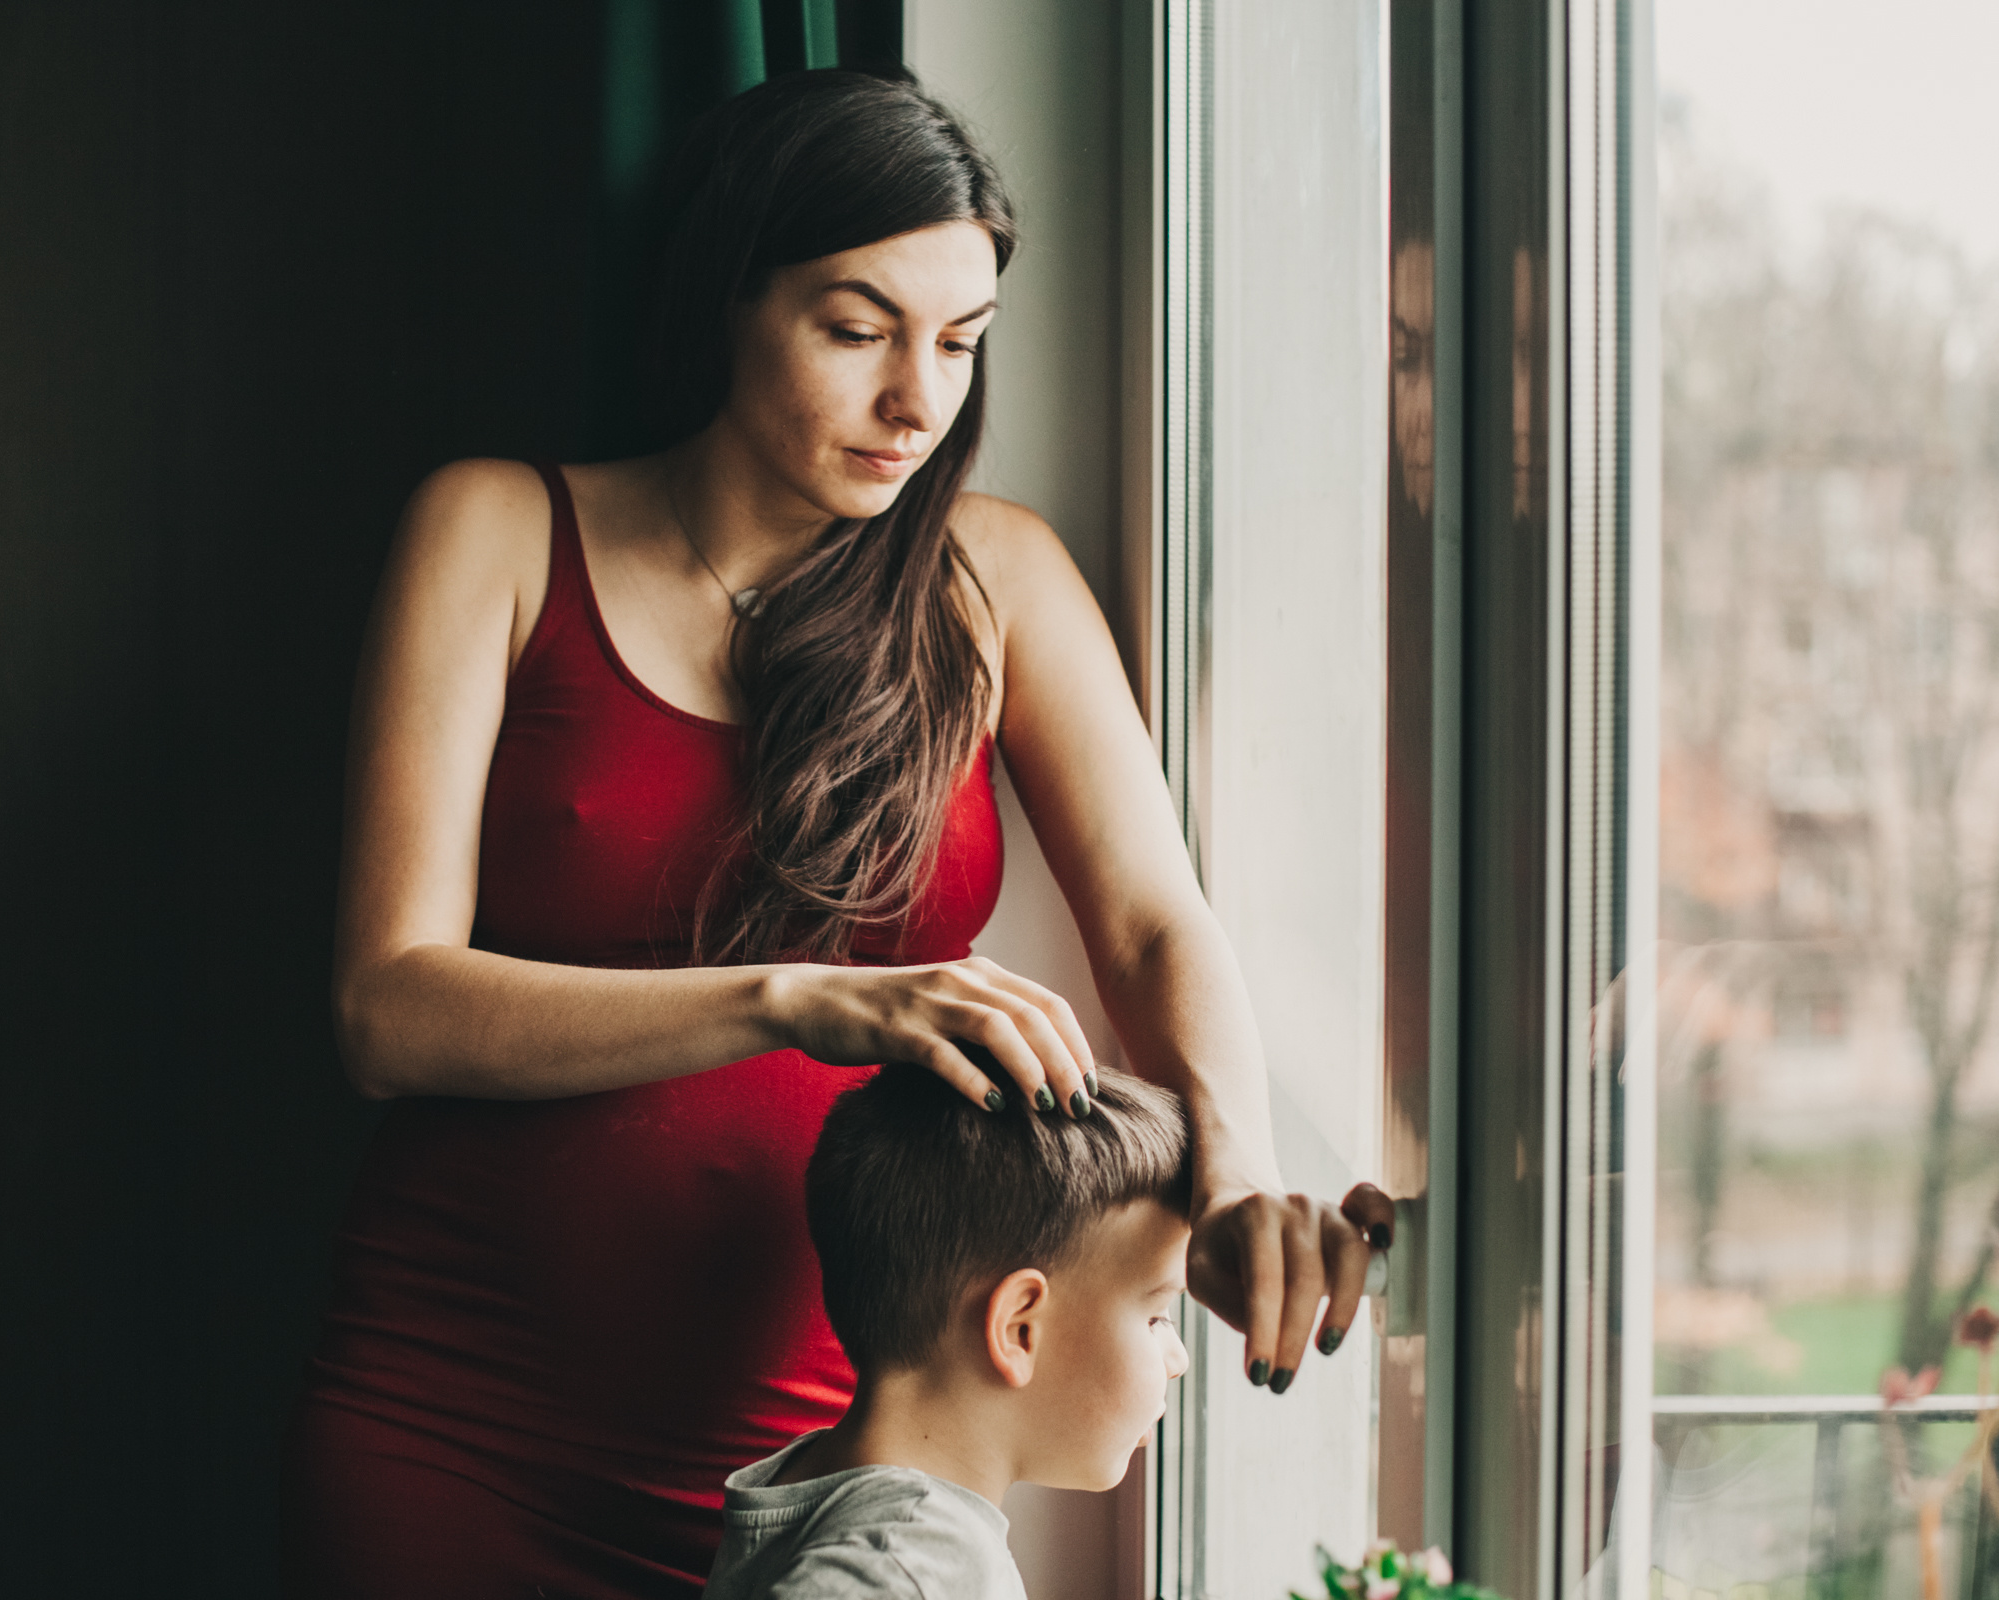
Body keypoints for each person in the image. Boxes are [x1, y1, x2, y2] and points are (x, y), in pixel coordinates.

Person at [280, 66, 1391, 1600]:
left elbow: (1151, 923)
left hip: (835, 1465)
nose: (916, 402)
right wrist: (806, 995)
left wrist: (1237, 1185)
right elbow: (385, 1006)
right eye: (857, 329)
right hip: (460, 1419)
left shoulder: (996, 580)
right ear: (730, 295)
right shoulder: (493, 531)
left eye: (960, 343)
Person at [703, 1064, 1195, 1600]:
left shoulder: (808, 1477)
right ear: (1019, 1328)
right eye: (1157, 1315)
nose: (1180, 1358)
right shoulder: (917, 1558)